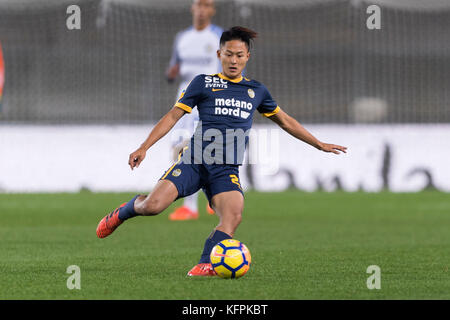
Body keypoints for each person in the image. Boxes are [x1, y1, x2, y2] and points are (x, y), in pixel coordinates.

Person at [96, 26, 347, 277]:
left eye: (239, 55)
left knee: (233, 216)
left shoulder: (256, 91)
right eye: (228, 54)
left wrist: (318, 144)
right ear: (219, 54)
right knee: (152, 206)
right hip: (194, 162)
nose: (234, 60)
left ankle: (206, 263)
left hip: (225, 170)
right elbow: (173, 115)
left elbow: (286, 121)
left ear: (248, 56)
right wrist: (144, 146)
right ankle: (126, 210)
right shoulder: (203, 83)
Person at [166, 0, 222, 220]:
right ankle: (209, 197)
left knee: (193, 146)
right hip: (183, 94)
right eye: (199, 5)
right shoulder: (182, 38)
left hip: (208, 93)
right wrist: (170, 74)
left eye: (206, 5)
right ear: (192, 8)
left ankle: (194, 205)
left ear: (212, 10)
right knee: (178, 146)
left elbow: (229, 69)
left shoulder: (219, 36)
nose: (201, 10)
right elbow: (173, 70)